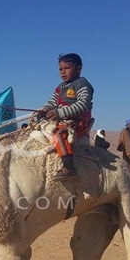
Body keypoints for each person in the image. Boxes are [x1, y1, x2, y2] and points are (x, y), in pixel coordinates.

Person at [39, 53, 94, 181]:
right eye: (60, 69)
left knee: (59, 133)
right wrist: (43, 110)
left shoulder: (82, 84)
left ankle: (68, 167)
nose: (63, 72)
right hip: (63, 119)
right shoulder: (60, 87)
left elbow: (83, 104)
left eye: (67, 68)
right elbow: (52, 103)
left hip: (78, 121)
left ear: (79, 68)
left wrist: (60, 113)